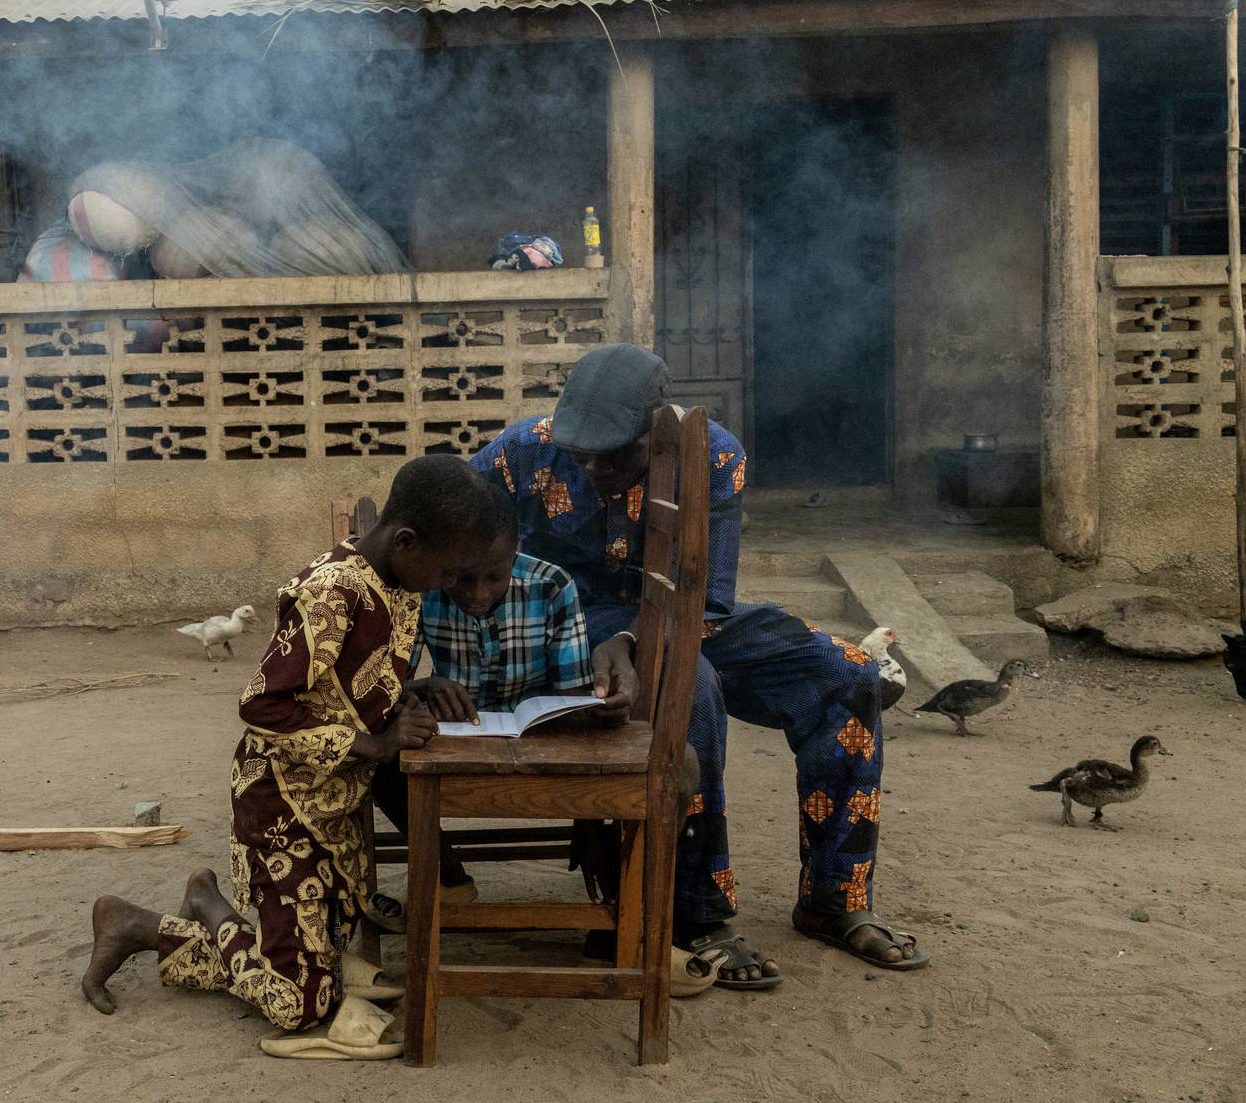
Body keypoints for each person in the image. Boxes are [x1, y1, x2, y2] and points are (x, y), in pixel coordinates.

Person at [474, 343, 928, 987]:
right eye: (584, 452)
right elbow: (446, 531)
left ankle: (835, 899)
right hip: (571, 625)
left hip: (685, 616)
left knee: (850, 674)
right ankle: (695, 913)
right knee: (694, 688)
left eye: (616, 451)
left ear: (657, 424)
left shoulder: (713, 455)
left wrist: (635, 637)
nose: (597, 467)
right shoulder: (521, 452)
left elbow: (708, 599)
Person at [80, 455, 500, 1061]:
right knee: (298, 1005)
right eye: (449, 570)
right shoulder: (329, 593)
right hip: (281, 806)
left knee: (323, 971)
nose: (452, 585)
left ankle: (166, 918)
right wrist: (375, 746)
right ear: (407, 541)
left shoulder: (397, 583)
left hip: (332, 806)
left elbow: (345, 685)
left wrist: (414, 690)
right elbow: (264, 707)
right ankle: (164, 918)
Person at [368, 484, 627, 914]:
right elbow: (395, 681)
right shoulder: (426, 585)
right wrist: (421, 689)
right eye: (462, 577)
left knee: (601, 771)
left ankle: (607, 884)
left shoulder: (551, 586)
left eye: (494, 577)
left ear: (515, 557)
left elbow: (571, 693)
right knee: (383, 763)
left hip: (541, 735)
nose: (477, 593)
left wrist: (591, 710)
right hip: (449, 733)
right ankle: (449, 875)